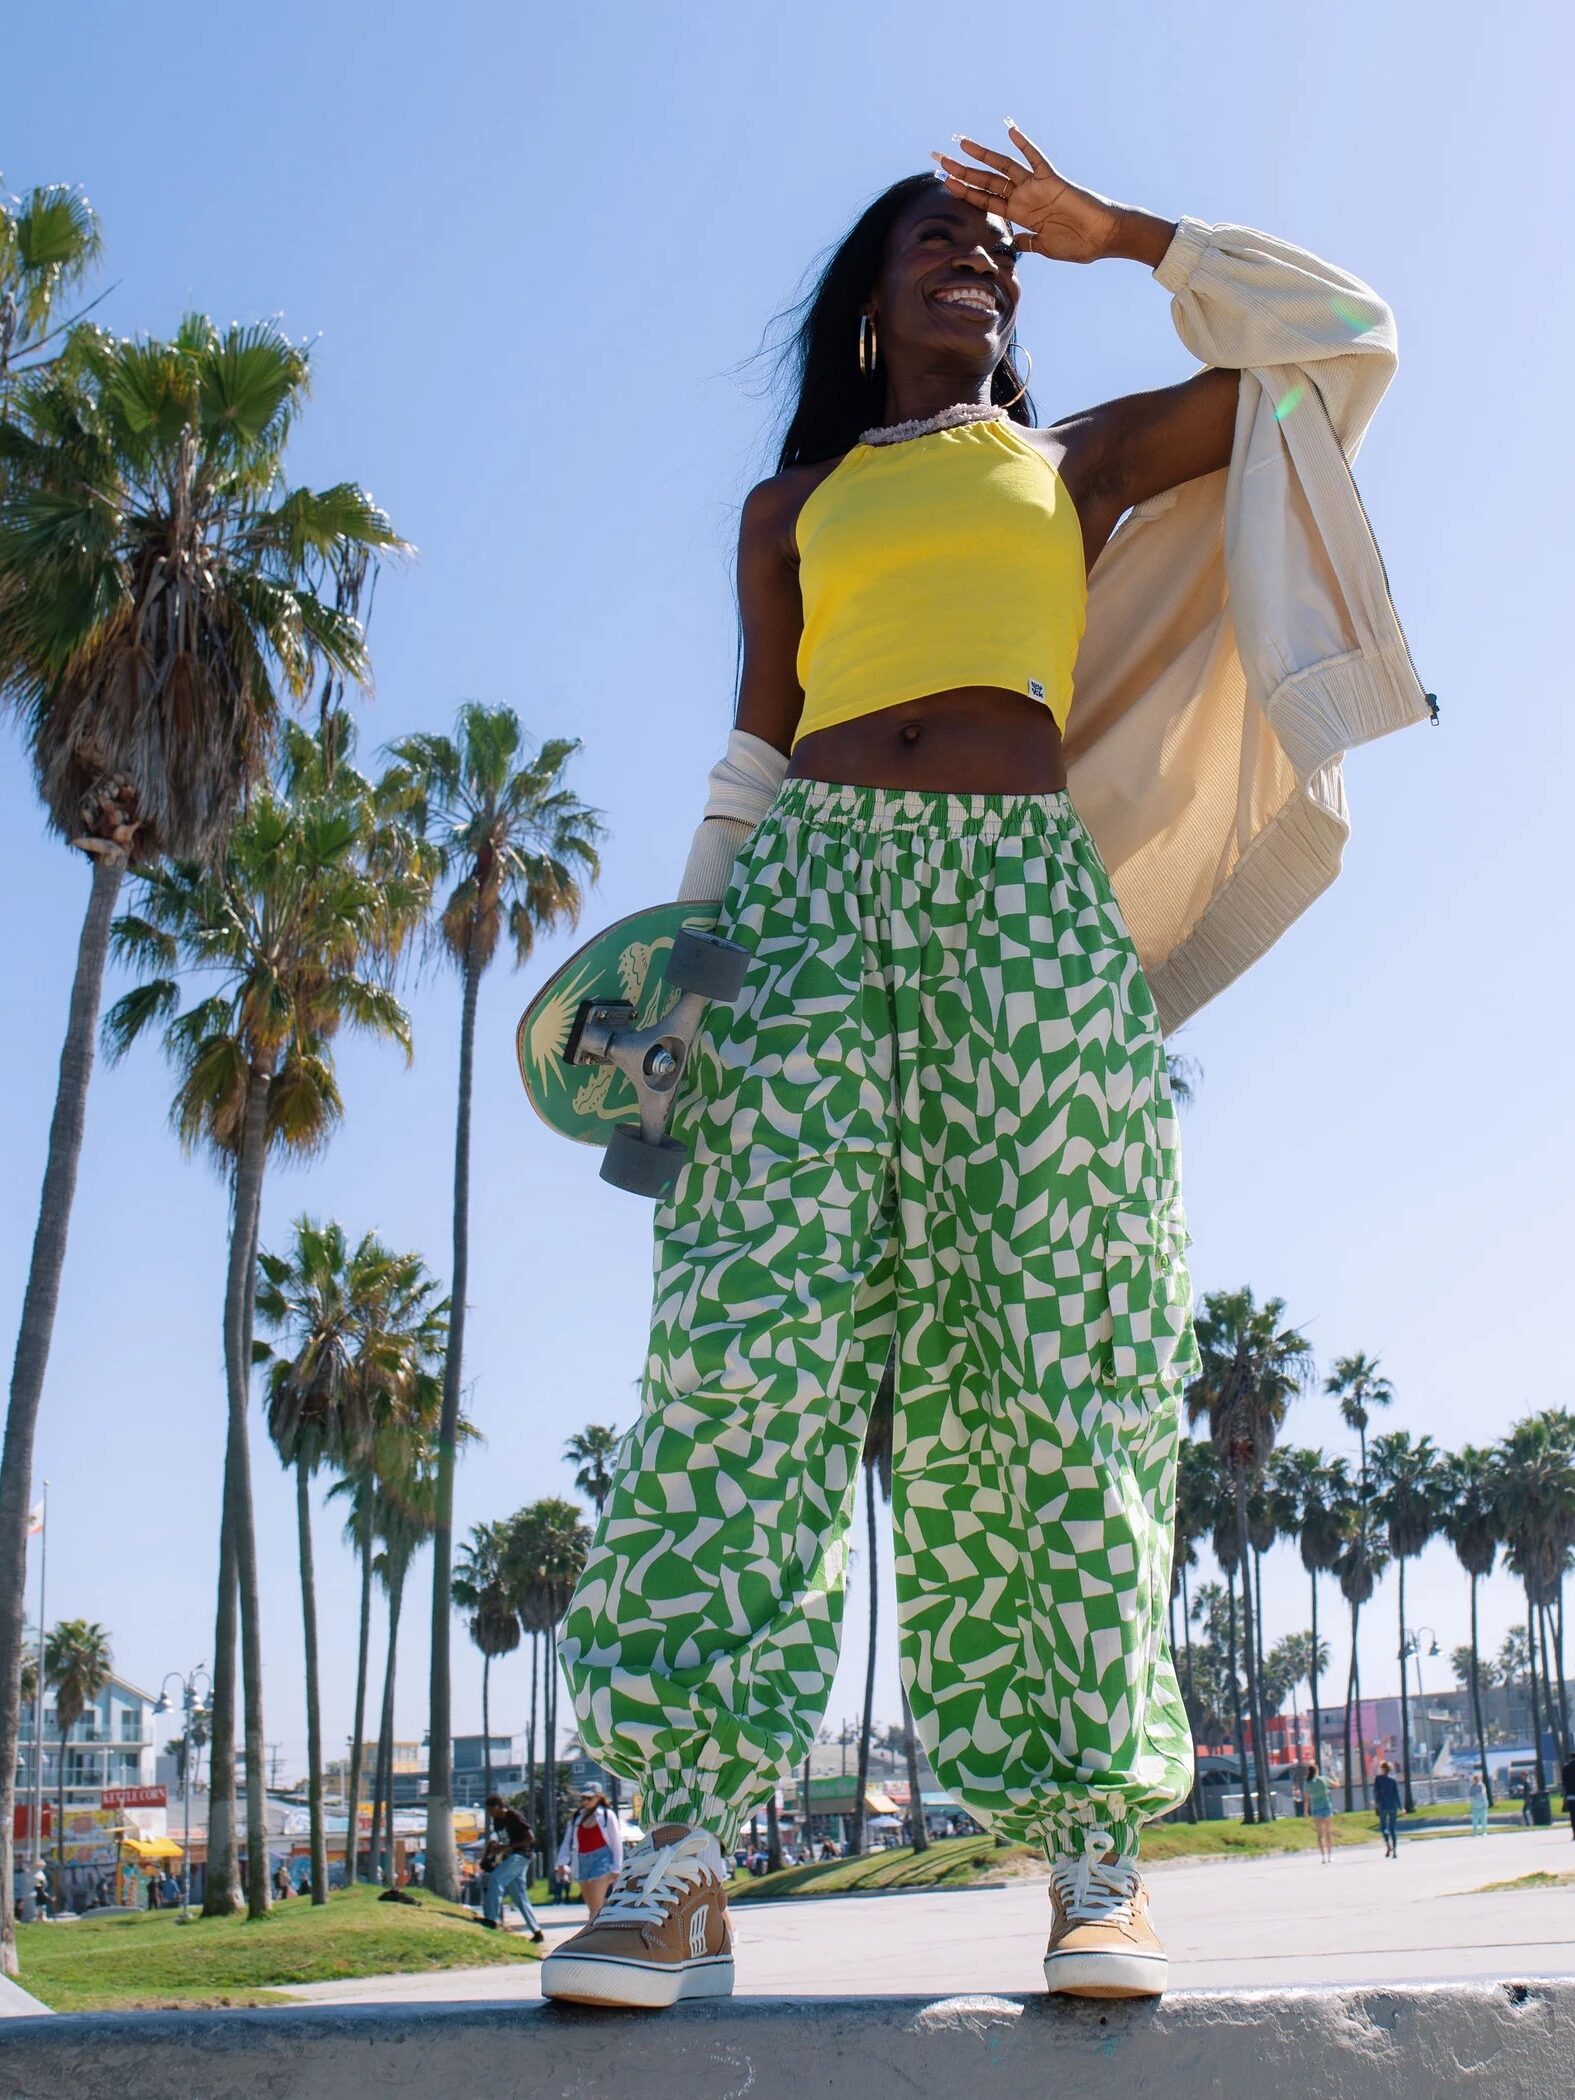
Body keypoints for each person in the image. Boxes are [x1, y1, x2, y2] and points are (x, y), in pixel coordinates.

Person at [544, 123, 1428, 2016]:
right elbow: (750, 753)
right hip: (803, 907)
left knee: (1062, 1346)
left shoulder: (1076, 462)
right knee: (744, 1344)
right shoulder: (788, 509)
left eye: (995, 251)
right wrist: (680, 988)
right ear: (871, 308)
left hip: (1026, 907)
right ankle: (683, 1856)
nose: (978, 260)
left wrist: (1125, 236)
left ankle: (1090, 1861)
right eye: (937, 244)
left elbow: (1347, 346)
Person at [478, 1794, 545, 1941]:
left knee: (496, 1879)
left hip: (521, 1855)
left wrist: (508, 1847)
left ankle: (491, 1919)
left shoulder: (513, 1815)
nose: (489, 1813)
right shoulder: (497, 1822)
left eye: (490, 1809)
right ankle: (537, 1932)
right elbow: (504, 1841)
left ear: (497, 1806)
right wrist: (497, 1848)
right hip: (511, 1856)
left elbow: (530, 1838)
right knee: (519, 1895)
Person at [557, 1787, 623, 1921]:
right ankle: (597, 1929)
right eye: (583, 1798)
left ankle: (592, 1933)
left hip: (602, 1859)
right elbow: (567, 1841)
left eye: (589, 1798)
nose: (585, 1801)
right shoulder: (578, 1816)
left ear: (598, 1797)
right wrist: (561, 1862)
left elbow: (616, 1841)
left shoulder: (606, 1815)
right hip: (582, 1860)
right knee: (591, 1904)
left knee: (596, 1904)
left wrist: (617, 1867)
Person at [1304, 1764, 1335, 1864]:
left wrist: (1306, 1812)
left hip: (1316, 1809)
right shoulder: (1323, 1779)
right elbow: (1337, 1785)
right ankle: (1330, 1855)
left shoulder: (1308, 1783)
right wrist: (1333, 1776)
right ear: (1317, 1771)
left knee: (1319, 1834)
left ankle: (1323, 1857)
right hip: (1326, 1807)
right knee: (1328, 1832)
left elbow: (1307, 1799)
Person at [1373, 1762, 1402, 1857]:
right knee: (1393, 1829)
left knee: (1383, 1827)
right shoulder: (1393, 1780)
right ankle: (1395, 1851)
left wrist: (1376, 1804)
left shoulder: (1378, 1779)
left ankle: (1388, 1845)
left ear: (1382, 1769)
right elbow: (1397, 1794)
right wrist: (1401, 1807)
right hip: (1393, 1806)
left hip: (1383, 1806)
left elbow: (1376, 1793)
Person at [1468, 1772, 1489, 1836]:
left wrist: (1485, 1803)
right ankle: (1475, 1832)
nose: (1476, 1780)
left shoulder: (1482, 1786)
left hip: (1482, 1806)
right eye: (1475, 1779)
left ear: (1479, 1779)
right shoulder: (1471, 1787)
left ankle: (1484, 1832)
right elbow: (1470, 1796)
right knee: (1475, 1821)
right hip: (1475, 1806)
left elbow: (1483, 1794)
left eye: (1477, 1778)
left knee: (1483, 1820)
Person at [1561, 1750, 1575, 1841]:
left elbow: (1564, 1782)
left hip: (1571, 1795)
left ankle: (1574, 1833)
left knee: (1573, 1815)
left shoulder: (1566, 1767)